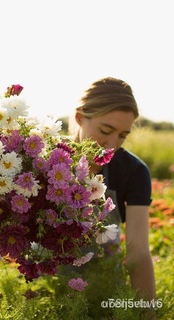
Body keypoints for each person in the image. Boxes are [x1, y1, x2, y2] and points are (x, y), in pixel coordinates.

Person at [68, 77, 156, 310]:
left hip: (105, 294)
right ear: (80, 118)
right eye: (106, 130)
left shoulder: (134, 172)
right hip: (42, 292)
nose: (111, 144)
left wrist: (146, 314)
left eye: (122, 136)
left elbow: (138, 253)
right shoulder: (43, 160)